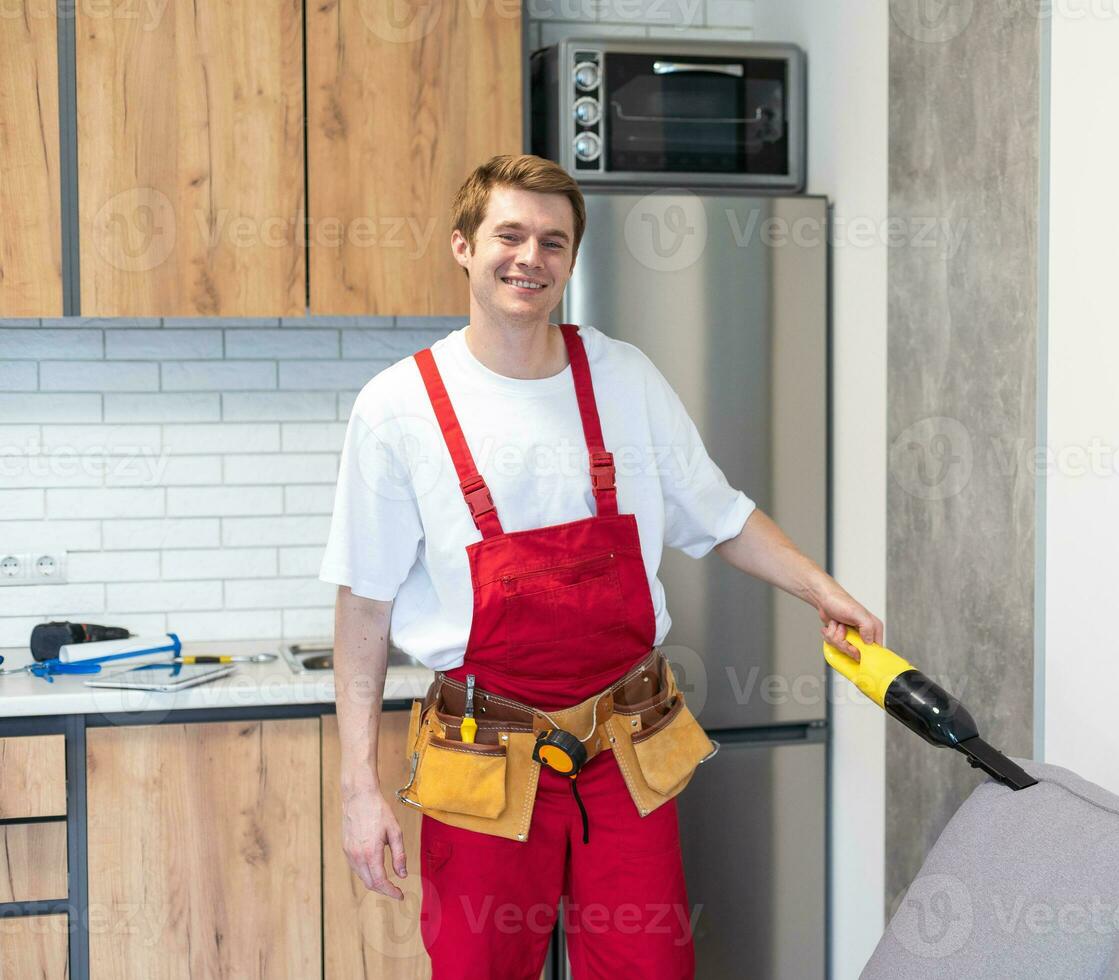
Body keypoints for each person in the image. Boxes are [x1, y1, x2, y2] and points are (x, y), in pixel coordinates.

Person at [319, 153, 881, 979]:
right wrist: (357, 788)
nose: (531, 258)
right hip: (481, 754)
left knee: (649, 967)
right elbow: (363, 611)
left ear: (572, 260)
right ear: (462, 246)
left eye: (554, 241)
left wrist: (821, 588)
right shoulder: (396, 408)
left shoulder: (625, 377)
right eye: (508, 235)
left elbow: (720, 515)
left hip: (627, 745)